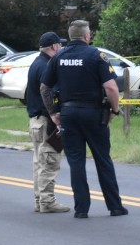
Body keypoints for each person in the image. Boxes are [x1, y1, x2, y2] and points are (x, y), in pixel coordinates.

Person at [40, 20, 128, 219]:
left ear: (70, 36)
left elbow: (44, 88)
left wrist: (53, 113)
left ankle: (81, 209)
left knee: (76, 161)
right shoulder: (97, 55)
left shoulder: (59, 56)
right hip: (94, 114)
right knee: (103, 159)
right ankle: (115, 206)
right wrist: (114, 110)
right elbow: (112, 88)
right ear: (87, 36)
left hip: (69, 115)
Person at [26, 32, 71, 213]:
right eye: (59, 45)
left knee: (39, 162)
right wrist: (56, 115)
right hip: (46, 120)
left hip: (35, 120)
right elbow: (49, 93)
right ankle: (47, 201)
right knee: (49, 162)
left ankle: (39, 200)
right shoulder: (47, 66)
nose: (60, 48)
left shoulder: (36, 63)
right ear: (54, 47)